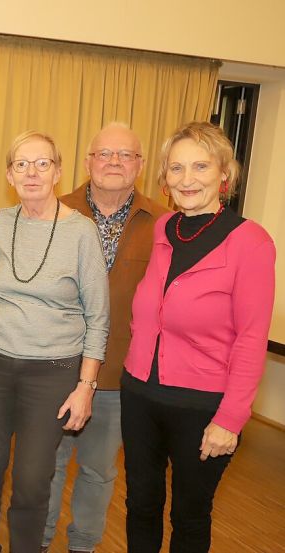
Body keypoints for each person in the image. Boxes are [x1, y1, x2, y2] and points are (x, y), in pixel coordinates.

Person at [122, 121, 275, 552]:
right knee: (141, 505)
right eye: (176, 168)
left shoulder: (251, 242)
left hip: (202, 405)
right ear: (165, 179)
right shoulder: (164, 228)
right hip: (141, 394)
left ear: (224, 174)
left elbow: (251, 338)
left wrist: (230, 419)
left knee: (189, 516)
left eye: (200, 167)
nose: (187, 179)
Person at [0, 131, 110, 553]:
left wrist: (86, 387)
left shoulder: (81, 233)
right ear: (9, 174)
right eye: (21, 164)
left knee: (31, 479)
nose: (32, 173)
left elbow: (98, 318)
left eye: (42, 163)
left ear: (58, 171)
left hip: (53, 372)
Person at [42, 123, 169, 553]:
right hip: (55, 367)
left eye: (126, 155)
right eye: (105, 154)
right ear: (88, 162)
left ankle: (83, 546)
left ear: (141, 165)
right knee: (45, 466)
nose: (114, 162)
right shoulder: (54, 211)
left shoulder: (162, 223)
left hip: (118, 375)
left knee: (98, 472)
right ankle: (37, 543)